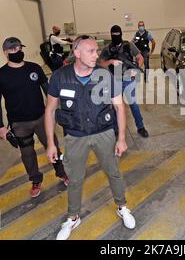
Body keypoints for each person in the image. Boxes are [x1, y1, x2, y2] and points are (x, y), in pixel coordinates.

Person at [45, 35, 136, 240]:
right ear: (77, 53)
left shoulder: (104, 74)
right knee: (75, 179)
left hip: (104, 133)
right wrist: (51, 143)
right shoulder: (60, 77)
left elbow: (119, 106)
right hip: (75, 136)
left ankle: (122, 207)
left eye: (97, 51)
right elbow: (50, 110)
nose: (96, 55)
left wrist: (121, 137)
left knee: (113, 172)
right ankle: (73, 217)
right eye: (91, 51)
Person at [0, 37, 69, 198]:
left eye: (19, 48)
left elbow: (48, 90)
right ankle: (35, 179)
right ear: (5, 53)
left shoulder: (34, 68)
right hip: (19, 123)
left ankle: (62, 173)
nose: (17, 51)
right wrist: (1, 127)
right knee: (27, 154)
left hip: (42, 118)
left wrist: (55, 110)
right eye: (13, 50)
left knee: (52, 145)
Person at [99, 25, 149, 138]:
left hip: (128, 79)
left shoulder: (129, 45)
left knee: (133, 104)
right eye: (114, 35)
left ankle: (140, 127)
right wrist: (111, 61)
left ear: (121, 34)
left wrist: (135, 70)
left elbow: (140, 58)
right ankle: (116, 129)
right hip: (115, 80)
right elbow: (101, 63)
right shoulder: (107, 48)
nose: (116, 36)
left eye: (117, 34)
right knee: (115, 105)